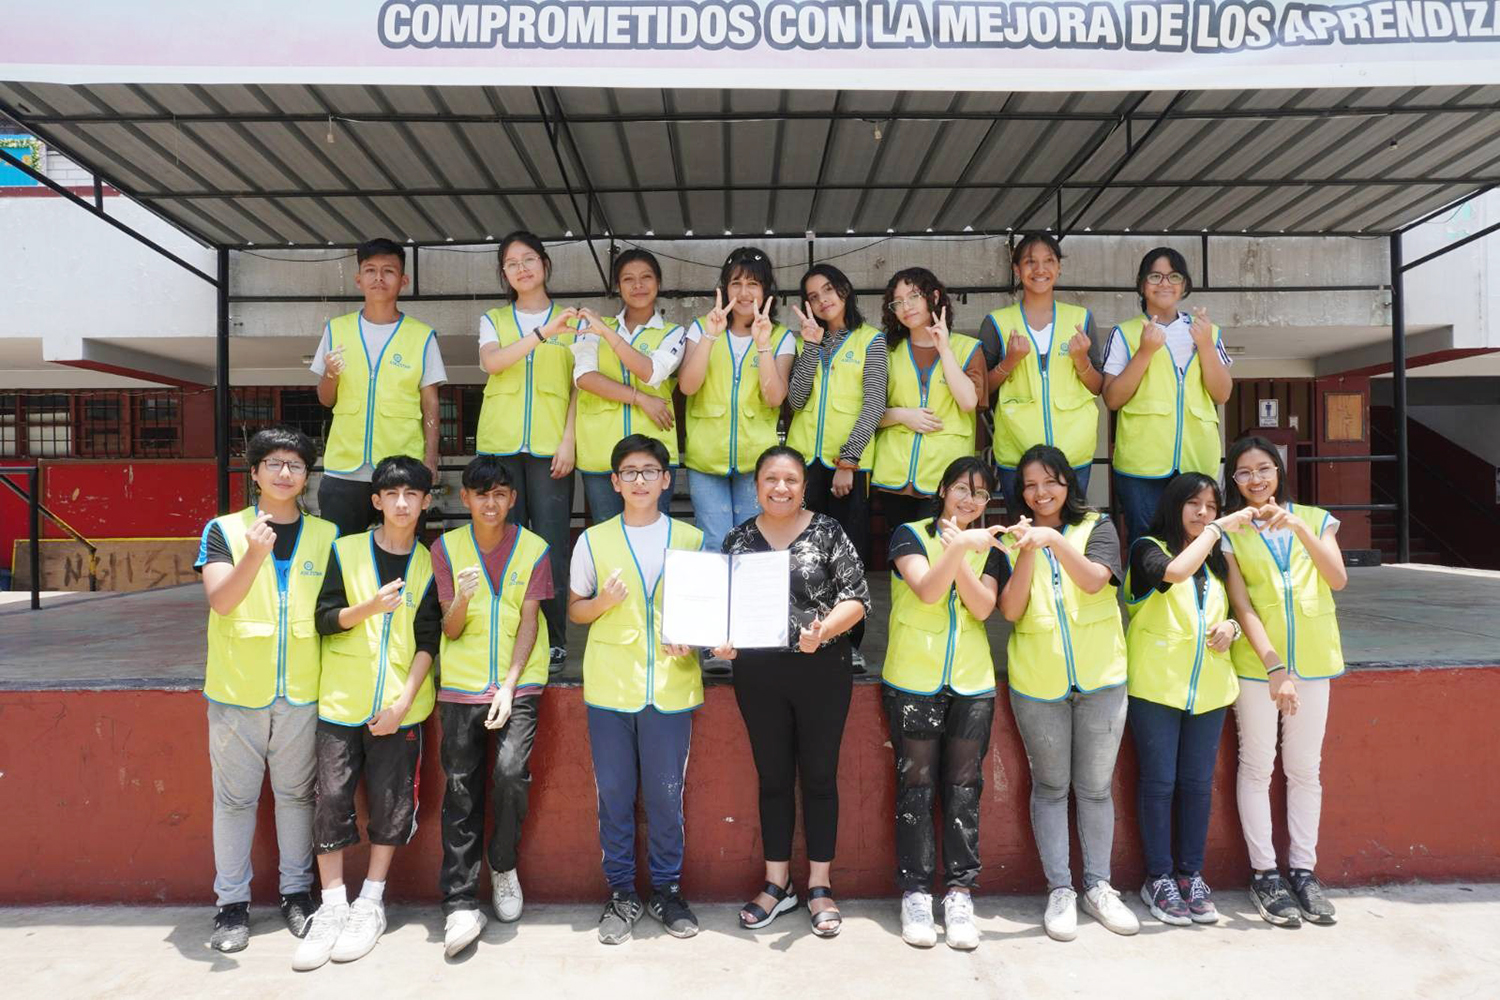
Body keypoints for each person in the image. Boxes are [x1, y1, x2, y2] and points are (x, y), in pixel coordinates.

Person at [293, 456, 440, 971]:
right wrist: (367, 610)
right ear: (376, 501)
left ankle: (370, 902)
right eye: (392, 494)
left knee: (391, 802)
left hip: (401, 708)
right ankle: (332, 906)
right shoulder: (346, 550)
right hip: (341, 700)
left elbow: (429, 640)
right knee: (331, 797)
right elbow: (323, 619)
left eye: (412, 495)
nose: (402, 503)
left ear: (426, 501)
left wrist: (402, 703)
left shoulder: (428, 563)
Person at [719, 446, 871, 938]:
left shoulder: (828, 531)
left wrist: (822, 631)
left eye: (790, 480)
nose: (779, 488)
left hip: (821, 669)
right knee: (774, 777)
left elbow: (858, 599)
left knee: (821, 776)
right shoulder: (738, 540)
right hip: (758, 674)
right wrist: (722, 639)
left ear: (804, 486)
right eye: (770, 479)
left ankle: (821, 885)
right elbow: (722, 608)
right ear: (756, 484)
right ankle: (777, 882)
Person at [196, 426, 336, 953]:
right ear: (253, 473)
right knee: (234, 802)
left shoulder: (327, 535)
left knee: (297, 797)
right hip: (237, 691)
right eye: (273, 463)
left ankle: (297, 894)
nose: (284, 473)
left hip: (302, 688)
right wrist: (255, 553)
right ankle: (231, 906)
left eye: (295, 465)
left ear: (306, 476)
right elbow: (222, 602)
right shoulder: (224, 530)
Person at [567, 435, 706, 945]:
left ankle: (667, 890)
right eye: (630, 472)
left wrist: (694, 639)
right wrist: (602, 601)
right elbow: (575, 610)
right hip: (610, 688)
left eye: (650, 471)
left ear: (667, 480)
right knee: (616, 798)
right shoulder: (594, 540)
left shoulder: (691, 540)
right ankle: (622, 893)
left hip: (671, 688)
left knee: (667, 799)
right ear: (615, 482)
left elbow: (707, 616)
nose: (641, 480)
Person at [998, 444, 1139, 942]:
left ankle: (1099, 886)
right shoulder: (1015, 538)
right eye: (1031, 484)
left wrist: (1054, 542)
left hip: (1102, 678)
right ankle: (1061, 889)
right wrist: (1029, 551)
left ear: (1068, 484)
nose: (1041, 493)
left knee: (1096, 789)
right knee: (1052, 788)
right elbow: (1011, 611)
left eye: (1050, 481)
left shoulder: (1097, 527)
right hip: (1039, 683)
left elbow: (1097, 582)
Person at [883, 457, 1018, 951]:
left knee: (964, 787)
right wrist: (959, 545)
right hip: (913, 678)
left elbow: (984, 608)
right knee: (915, 787)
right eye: (962, 489)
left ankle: (959, 892)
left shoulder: (993, 548)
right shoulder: (909, 534)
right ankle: (916, 892)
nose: (969, 500)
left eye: (980, 495)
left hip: (971, 682)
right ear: (942, 489)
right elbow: (926, 589)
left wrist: (961, 548)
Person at [1221, 435, 1347, 929]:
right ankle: (1266, 874)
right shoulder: (1231, 530)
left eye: (1264, 468)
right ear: (1233, 480)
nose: (1255, 480)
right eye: (1244, 472)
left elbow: (1336, 578)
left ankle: (1303, 870)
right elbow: (1242, 604)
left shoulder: (1315, 518)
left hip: (1315, 663)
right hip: (1258, 668)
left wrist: (1297, 524)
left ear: (1279, 470)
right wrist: (1275, 667)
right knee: (1256, 766)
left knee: (1305, 770)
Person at [430, 456, 554, 956]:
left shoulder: (534, 548)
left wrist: (508, 684)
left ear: (513, 499)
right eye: (481, 494)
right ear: (465, 499)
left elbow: (529, 620)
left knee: (508, 774)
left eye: (500, 493)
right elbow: (451, 628)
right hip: (460, 686)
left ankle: (502, 865)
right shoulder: (445, 547)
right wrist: (459, 598)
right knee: (460, 790)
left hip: (517, 685)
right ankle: (459, 900)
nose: (491, 502)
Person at [1124, 472, 1256, 926]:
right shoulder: (1147, 548)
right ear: (1174, 505)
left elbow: (1235, 611)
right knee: (1159, 784)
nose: (1203, 514)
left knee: (1198, 787)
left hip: (1210, 690)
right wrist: (1218, 531)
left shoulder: (1219, 561)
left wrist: (1233, 629)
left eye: (1212, 507)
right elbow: (1174, 573)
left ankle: (1190, 874)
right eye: (1194, 504)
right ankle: (1158, 877)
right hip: (1156, 687)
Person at [476, 231, 579, 671]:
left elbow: (581, 385)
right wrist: (541, 333)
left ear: (545, 264)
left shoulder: (571, 320)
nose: (522, 268)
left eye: (529, 259)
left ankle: (554, 641)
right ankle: (505, 636)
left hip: (550, 447)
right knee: (503, 542)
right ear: (504, 273)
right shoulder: (494, 319)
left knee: (552, 544)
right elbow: (492, 363)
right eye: (512, 263)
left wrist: (570, 439)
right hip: (499, 447)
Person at [310, 238, 446, 539]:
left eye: (388, 271)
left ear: (403, 280)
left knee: (404, 553)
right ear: (359, 279)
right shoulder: (337, 329)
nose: (378, 278)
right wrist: (330, 374)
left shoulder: (422, 336)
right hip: (344, 467)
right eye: (370, 270)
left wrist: (430, 460)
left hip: (402, 468)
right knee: (340, 553)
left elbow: (431, 403)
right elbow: (325, 398)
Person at [1102, 247, 1232, 546]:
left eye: (1173, 276)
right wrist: (1145, 352)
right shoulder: (1124, 333)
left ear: (1184, 285)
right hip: (1141, 463)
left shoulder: (1206, 331)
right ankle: (1146, 594)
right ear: (1142, 284)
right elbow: (1112, 398)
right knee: (1145, 540)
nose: (1164, 283)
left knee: (1196, 540)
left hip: (1196, 458)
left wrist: (1206, 346)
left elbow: (1222, 393)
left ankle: (1194, 594)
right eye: (1155, 276)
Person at [677, 246, 796, 555]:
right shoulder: (701, 328)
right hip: (705, 457)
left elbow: (774, 398)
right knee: (715, 541)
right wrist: (710, 336)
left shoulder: (780, 336)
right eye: (736, 283)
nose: (744, 293)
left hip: (755, 461)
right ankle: (718, 605)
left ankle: (748, 604)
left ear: (766, 290)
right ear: (724, 288)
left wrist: (763, 345)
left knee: (751, 544)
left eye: (753, 284)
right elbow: (688, 386)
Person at [980, 233, 1103, 511]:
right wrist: (1009, 362)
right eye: (1030, 262)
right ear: (1016, 269)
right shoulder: (997, 323)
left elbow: (1098, 386)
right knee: (1024, 535)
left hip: (1073, 452)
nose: (1039, 269)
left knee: (1071, 535)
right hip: (1017, 453)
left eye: (1048, 261)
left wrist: (1081, 360)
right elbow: (980, 391)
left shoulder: (1081, 319)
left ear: (1059, 267)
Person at [572, 248, 686, 521]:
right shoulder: (593, 326)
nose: (638, 285)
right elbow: (584, 377)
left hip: (653, 457)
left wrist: (607, 333)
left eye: (646, 277)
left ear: (658, 283)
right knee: (607, 537)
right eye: (628, 279)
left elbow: (651, 372)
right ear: (617, 286)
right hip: (601, 452)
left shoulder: (674, 332)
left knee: (655, 537)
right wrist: (641, 398)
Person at [786, 263, 887, 565]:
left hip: (847, 464)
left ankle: (849, 614)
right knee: (805, 553)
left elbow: (874, 403)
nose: (823, 300)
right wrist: (812, 346)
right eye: (813, 296)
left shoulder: (871, 339)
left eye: (828, 290)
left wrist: (849, 460)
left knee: (846, 553)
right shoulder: (808, 339)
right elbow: (796, 400)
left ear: (844, 289)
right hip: (804, 462)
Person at [872, 267, 986, 532]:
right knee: (903, 556)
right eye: (897, 302)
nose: (906, 307)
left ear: (933, 296)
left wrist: (944, 349)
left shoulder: (968, 348)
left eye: (913, 297)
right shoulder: (886, 351)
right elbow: (867, 411)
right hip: (894, 475)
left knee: (942, 554)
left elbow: (969, 402)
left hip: (946, 475)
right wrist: (903, 415)